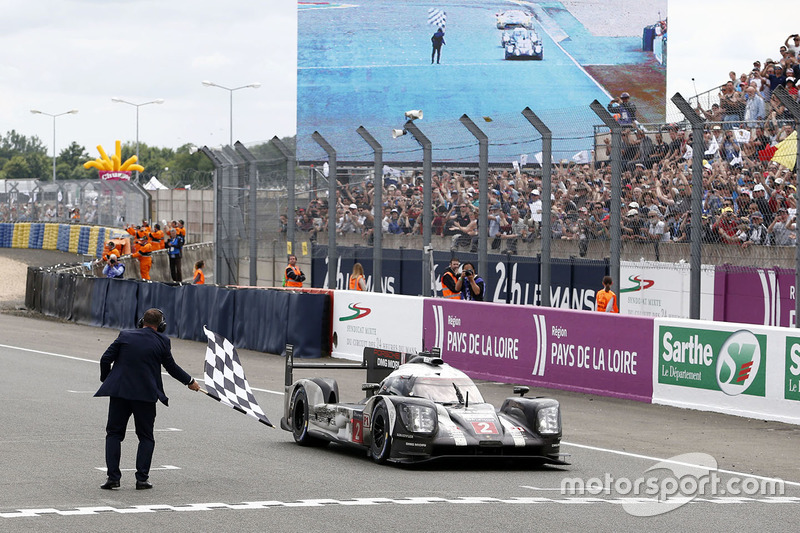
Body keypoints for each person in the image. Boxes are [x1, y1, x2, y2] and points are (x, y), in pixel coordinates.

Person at [95, 308, 201, 490]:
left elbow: (105, 359)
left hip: (120, 392)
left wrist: (108, 378)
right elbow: (172, 367)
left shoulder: (125, 335)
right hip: (145, 395)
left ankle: (113, 478)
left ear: (141, 321)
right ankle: (142, 479)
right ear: (161, 326)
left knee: (114, 434)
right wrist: (189, 381)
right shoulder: (163, 341)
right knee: (145, 436)